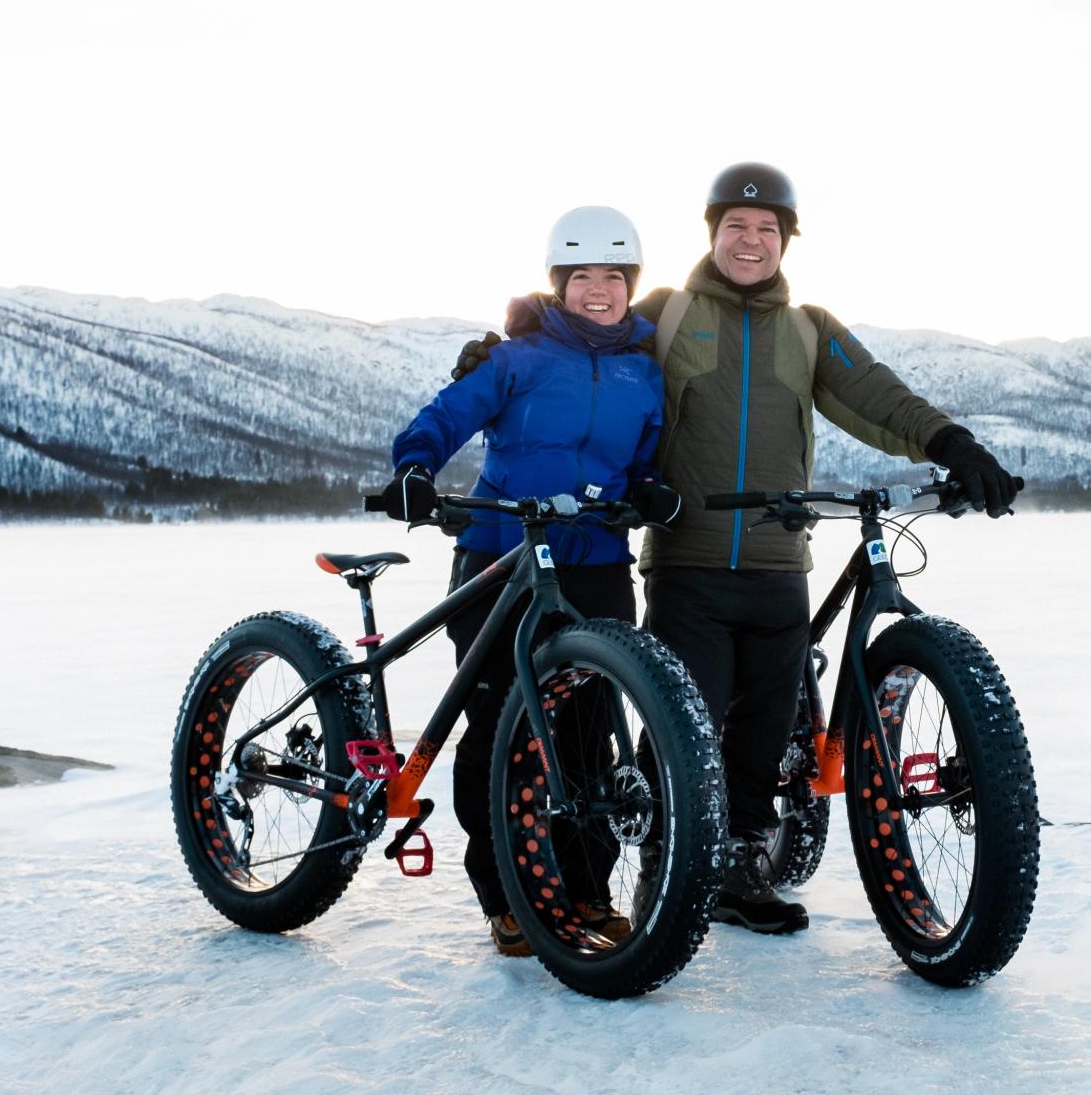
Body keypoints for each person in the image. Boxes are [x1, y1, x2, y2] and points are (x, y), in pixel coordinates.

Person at [455, 165, 1019, 935]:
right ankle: (668, 858)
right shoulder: (667, 312)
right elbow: (587, 341)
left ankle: (741, 861)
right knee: (686, 721)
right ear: (713, 234)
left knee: (764, 724)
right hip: (687, 560)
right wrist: (512, 333)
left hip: (780, 563)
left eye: (766, 230)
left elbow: (877, 396)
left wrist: (954, 443)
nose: (750, 241)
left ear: (785, 241)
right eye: (735, 227)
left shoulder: (809, 328)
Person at [381, 205, 682, 956]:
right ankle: (507, 896)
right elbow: (446, 416)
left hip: (599, 565)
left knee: (589, 744)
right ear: (561, 284)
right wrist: (415, 467)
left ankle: (584, 892)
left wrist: (650, 488)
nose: (599, 291)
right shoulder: (515, 359)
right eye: (583, 277)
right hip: (501, 558)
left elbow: (646, 456)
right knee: (497, 733)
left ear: (630, 285)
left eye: (613, 278)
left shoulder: (644, 373)